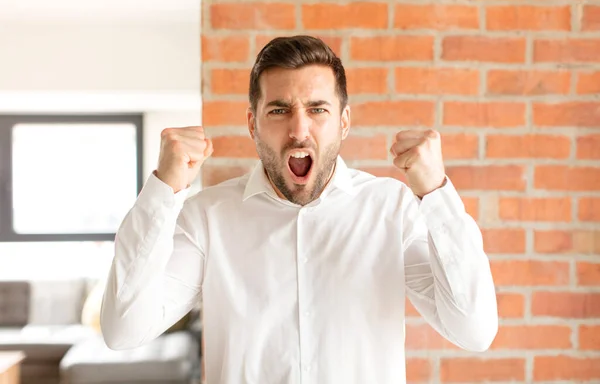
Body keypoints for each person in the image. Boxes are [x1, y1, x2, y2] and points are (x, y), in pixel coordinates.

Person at [100, 35, 498, 384]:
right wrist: (163, 190)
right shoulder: (208, 216)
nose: (298, 130)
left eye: (317, 109)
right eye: (279, 110)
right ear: (252, 124)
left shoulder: (391, 209)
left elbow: (474, 329)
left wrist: (437, 194)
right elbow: (124, 328)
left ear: (343, 122)